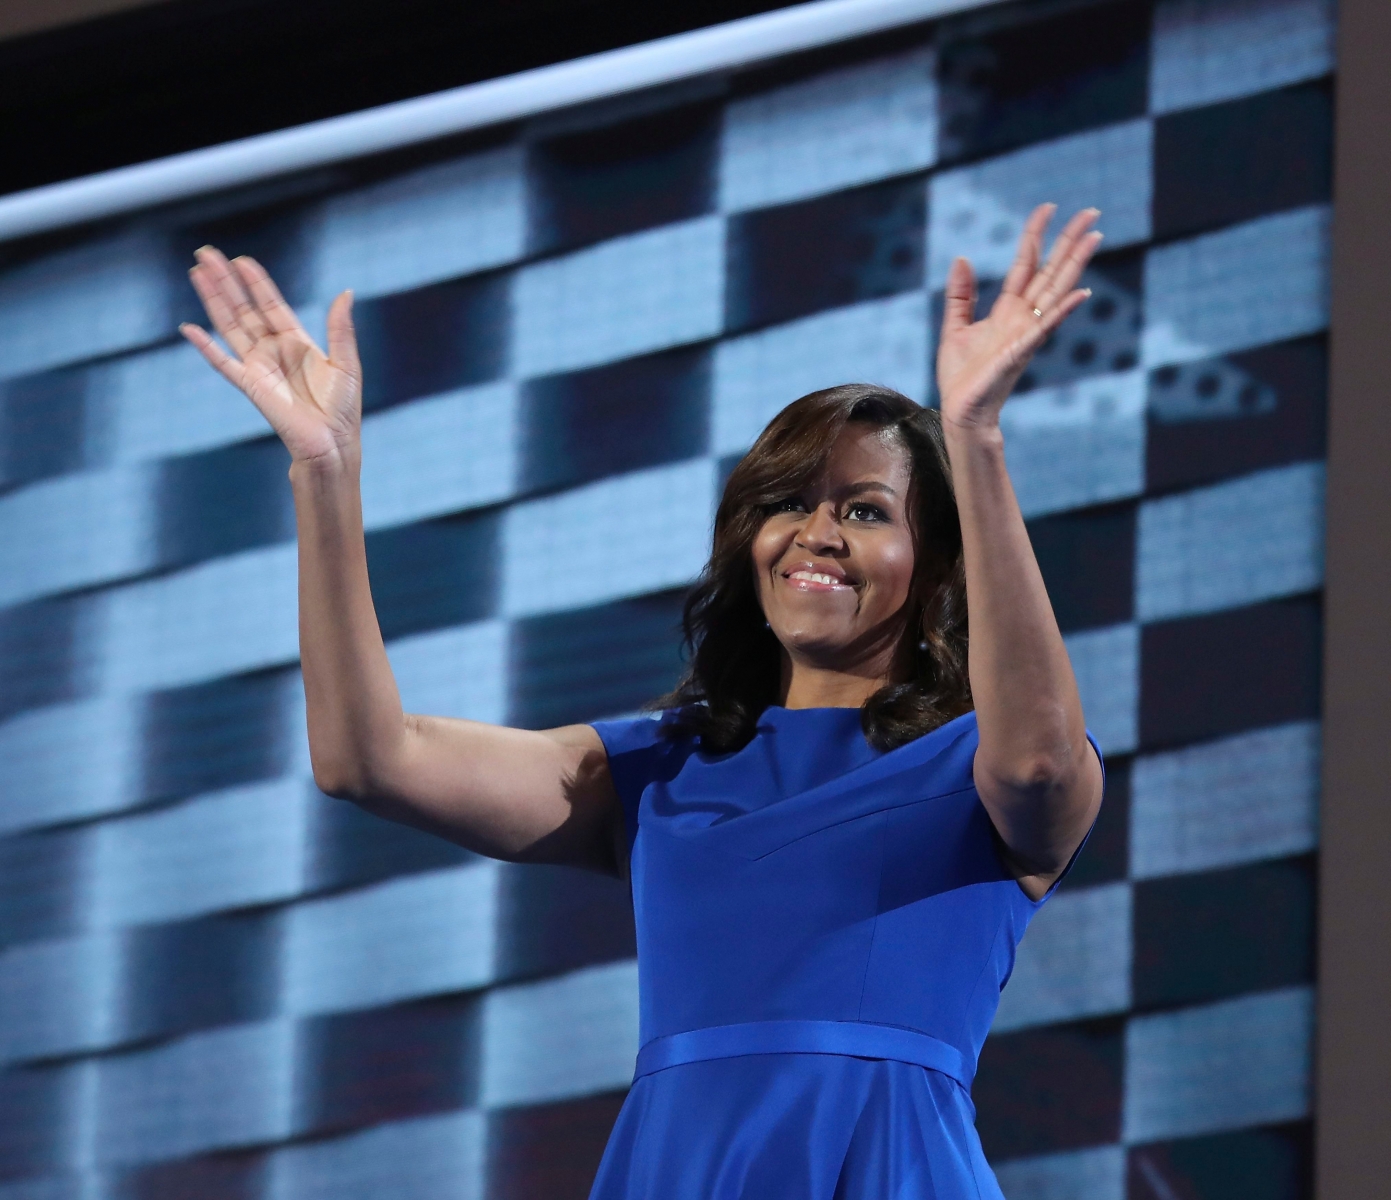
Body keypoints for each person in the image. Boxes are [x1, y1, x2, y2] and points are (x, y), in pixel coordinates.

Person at [182, 201, 1106, 1199]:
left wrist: (973, 442)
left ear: (933, 566)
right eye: (787, 502)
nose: (814, 533)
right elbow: (368, 758)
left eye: (865, 510)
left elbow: (1041, 762)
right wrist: (326, 474)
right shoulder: (660, 769)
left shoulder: (979, 771)